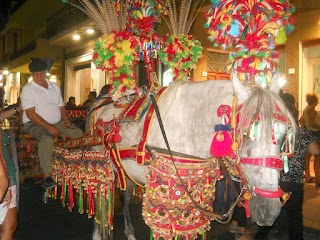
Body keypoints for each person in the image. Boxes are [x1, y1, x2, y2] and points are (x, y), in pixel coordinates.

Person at [255, 92, 320, 240]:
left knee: (270, 212)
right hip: (294, 182)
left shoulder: (272, 132)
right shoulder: (303, 133)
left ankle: (261, 236)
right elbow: (316, 151)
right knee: (295, 215)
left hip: (274, 180)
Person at [20, 58, 83, 189]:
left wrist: (66, 119)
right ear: (31, 74)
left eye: (41, 73)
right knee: (47, 139)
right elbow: (31, 114)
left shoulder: (54, 86)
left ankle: (74, 165)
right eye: (35, 74)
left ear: (45, 72)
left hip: (57, 122)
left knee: (78, 133)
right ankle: (46, 176)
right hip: (33, 124)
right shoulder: (28, 89)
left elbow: (61, 106)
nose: (38, 76)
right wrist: (49, 127)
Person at [0, 103, 22, 239]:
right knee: (8, 226)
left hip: (6, 174)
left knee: (10, 225)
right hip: (5, 177)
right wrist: (5, 182)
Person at [299, 93, 320, 185]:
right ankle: (318, 179)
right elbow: (312, 123)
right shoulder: (311, 110)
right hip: (315, 133)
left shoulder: (305, 109)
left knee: (307, 156)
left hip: (308, 133)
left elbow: (301, 120)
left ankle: (307, 175)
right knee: (318, 157)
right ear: (315, 101)